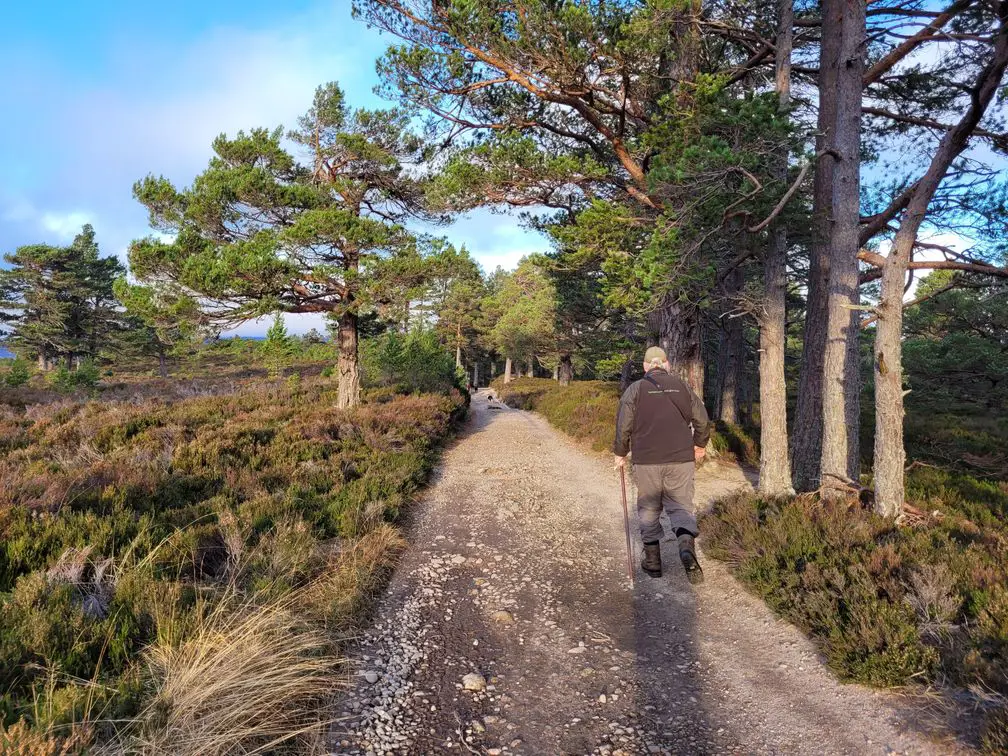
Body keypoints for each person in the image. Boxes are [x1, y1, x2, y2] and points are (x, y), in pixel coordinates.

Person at [613, 346, 711, 583]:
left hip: (646, 460)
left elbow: (623, 425)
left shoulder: (635, 390)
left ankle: (653, 563)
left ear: (646, 367)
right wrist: (699, 444)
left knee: (649, 508)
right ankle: (686, 547)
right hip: (681, 459)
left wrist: (620, 453)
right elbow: (702, 420)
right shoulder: (683, 387)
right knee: (680, 507)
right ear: (666, 364)